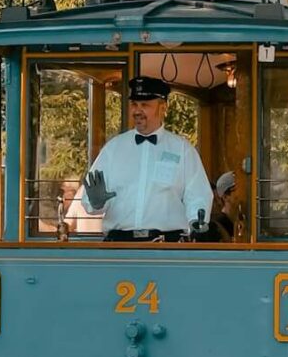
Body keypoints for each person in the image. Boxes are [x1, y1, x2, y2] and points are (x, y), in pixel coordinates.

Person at [79, 74, 213, 241]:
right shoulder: (114, 148)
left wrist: (197, 222)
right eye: (134, 104)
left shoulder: (182, 149)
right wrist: (95, 203)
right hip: (120, 244)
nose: (137, 110)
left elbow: (197, 193)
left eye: (145, 105)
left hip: (166, 245)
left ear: (163, 107)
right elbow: (90, 197)